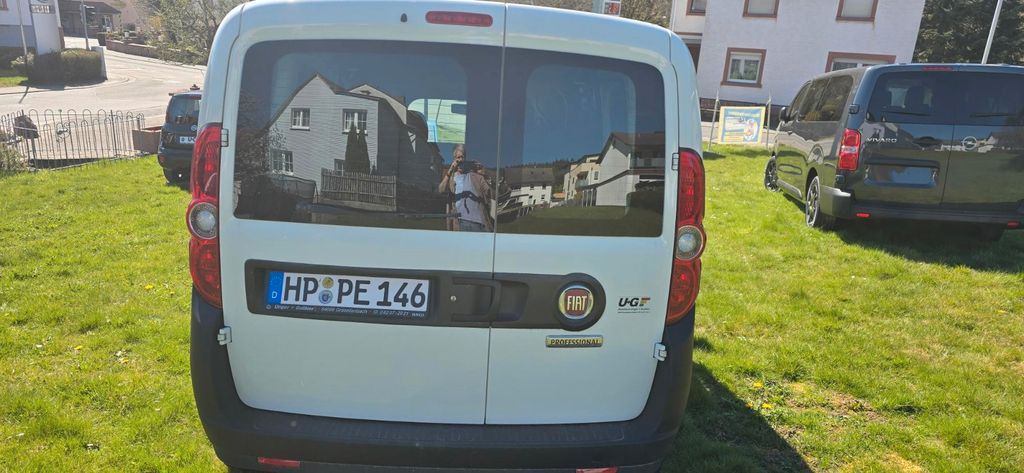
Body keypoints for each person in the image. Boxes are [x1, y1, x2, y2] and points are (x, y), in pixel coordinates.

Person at [439, 144, 492, 232]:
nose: (460, 160)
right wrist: (450, 170)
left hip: (479, 222)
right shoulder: (452, 178)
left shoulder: (476, 176)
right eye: (458, 157)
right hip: (460, 221)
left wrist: (485, 174)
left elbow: (490, 193)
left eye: (462, 157)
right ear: (454, 159)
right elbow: (441, 190)